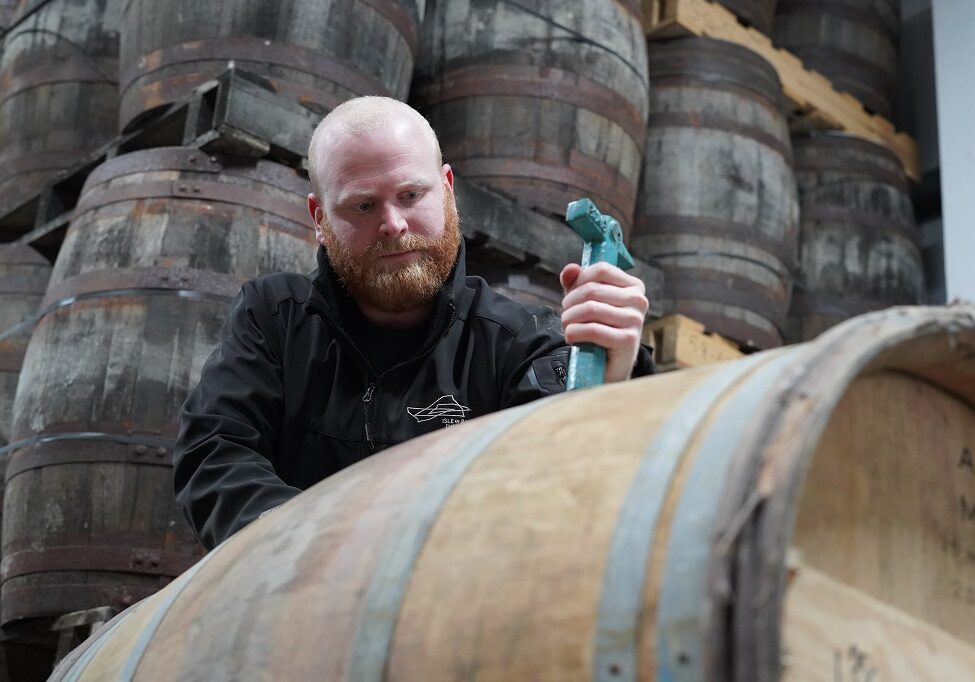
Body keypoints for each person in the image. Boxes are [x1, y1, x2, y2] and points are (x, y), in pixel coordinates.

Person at [174, 97, 652, 550]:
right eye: (363, 205)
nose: (393, 224)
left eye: (410, 195)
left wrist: (619, 376)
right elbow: (216, 453)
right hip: (290, 611)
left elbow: (568, 469)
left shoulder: (514, 341)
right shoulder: (273, 319)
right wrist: (309, 549)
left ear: (446, 189)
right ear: (319, 217)